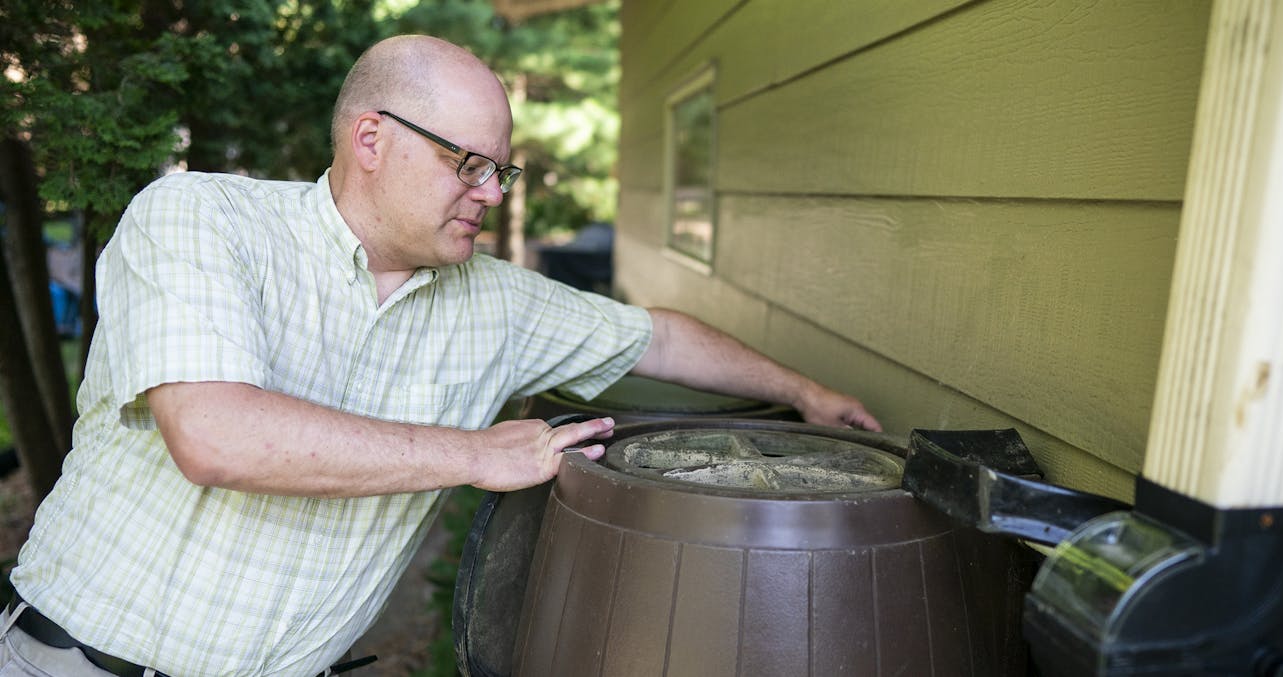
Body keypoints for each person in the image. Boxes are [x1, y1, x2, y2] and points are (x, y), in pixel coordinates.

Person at [1, 34, 879, 677]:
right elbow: (217, 435)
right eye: (468, 164)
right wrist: (477, 452)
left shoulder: (493, 299)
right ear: (371, 140)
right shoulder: (200, 220)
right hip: (74, 665)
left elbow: (658, 335)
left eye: (503, 171)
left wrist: (803, 389)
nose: (491, 195)